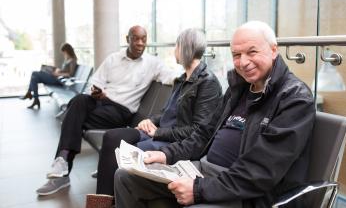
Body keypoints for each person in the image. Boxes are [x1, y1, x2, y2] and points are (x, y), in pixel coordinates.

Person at [113, 21, 316, 208]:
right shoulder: (240, 89)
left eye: (252, 52)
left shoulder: (294, 98)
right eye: (236, 55)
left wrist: (199, 189)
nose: (243, 62)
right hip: (202, 169)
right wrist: (167, 154)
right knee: (126, 177)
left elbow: (260, 172)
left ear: (273, 50)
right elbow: (204, 133)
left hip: (245, 191)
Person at [86, 28, 222, 207]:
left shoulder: (207, 83)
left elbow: (197, 131)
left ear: (184, 48)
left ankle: (110, 201)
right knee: (111, 137)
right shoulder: (182, 79)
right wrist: (152, 120)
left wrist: (158, 132)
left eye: (176, 45)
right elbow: (167, 111)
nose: (174, 50)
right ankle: (102, 201)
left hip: (168, 140)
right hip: (157, 133)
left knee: (125, 155)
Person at [36, 25, 178, 196]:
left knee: (73, 116)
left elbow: (170, 76)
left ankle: (63, 163)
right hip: (100, 102)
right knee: (80, 100)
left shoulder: (153, 63)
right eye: (136, 39)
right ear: (127, 39)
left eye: (144, 39)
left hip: (121, 111)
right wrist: (97, 92)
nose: (140, 43)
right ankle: (63, 162)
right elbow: (94, 82)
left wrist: (187, 75)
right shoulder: (113, 59)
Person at [20, 43, 77, 109]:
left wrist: (57, 74)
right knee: (34, 78)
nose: (64, 54)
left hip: (59, 80)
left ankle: (32, 96)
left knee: (34, 74)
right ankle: (35, 99)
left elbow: (70, 74)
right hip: (57, 77)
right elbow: (65, 70)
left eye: (64, 52)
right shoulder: (67, 59)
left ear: (67, 50)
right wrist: (58, 70)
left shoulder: (73, 60)